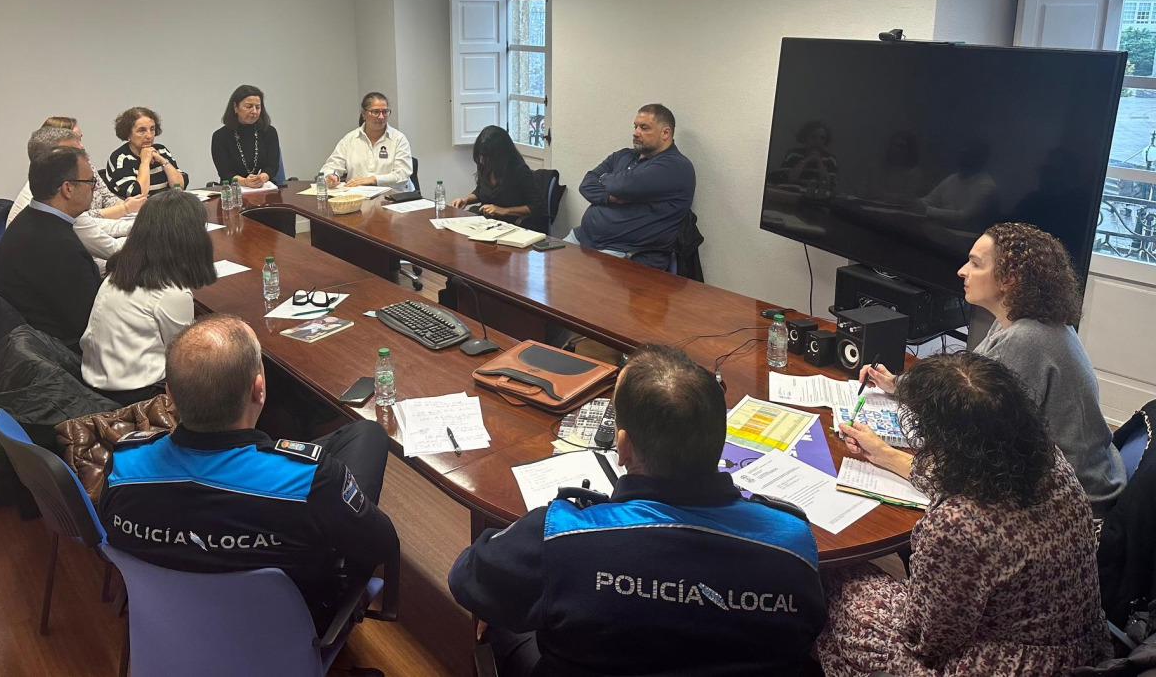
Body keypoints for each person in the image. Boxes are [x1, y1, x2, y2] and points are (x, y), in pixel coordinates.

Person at [448, 345, 826, 677]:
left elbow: (467, 579)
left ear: (623, 446)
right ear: (720, 442)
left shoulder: (562, 535)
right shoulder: (793, 544)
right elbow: (805, 632)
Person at [99, 314, 399, 633]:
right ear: (259, 389)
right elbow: (380, 546)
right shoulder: (310, 477)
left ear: (170, 395)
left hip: (169, 626)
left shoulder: (124, 464)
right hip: (290, 631)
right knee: (366, 435)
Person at [821, 352, 1112, 676]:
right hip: (1084, 648)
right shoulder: (1047, 461)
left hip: (1009, 665)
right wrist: (885, 455)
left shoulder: (956, 527)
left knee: (841, 581)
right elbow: (966, 476)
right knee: (835, 626)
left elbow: (925, 643)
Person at [859, 222, 1125, 518]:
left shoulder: (1026, 340)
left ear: (1009, 280)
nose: (962, 271)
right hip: (1092, 474)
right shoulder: (1022, 320)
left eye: (975, 264)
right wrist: (897, 384)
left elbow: (974, 452)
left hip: (1071, 504)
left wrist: (885, 454)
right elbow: (962, 385)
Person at [80, 191, 217, 407]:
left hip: (95, 383)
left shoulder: (119, 273)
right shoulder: (171, 292)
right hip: (140, 396)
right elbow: (184, 359)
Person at [0, 146, 102, 350]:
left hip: (41, 337)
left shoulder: (30, 220)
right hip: (66, 351)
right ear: (67, 188)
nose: (94, 189)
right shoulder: (58, 246)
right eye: (91, 182)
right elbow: (92, 322)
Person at [565, 104, 695, 269]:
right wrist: (608, 196)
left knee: (568, 287)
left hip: (624, 253)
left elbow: (623, 186)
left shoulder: (675, 166)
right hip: (582, 237)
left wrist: (604, 178)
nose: (635, 132)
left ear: (665, 133)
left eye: (644, 127)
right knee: (546, 273)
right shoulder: (624, 155)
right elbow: (587, 183)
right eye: (635, 126)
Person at [8, 126, 141, 272]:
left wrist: (135, 226)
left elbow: (90, 224)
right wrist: (151, 234)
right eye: (75, 153)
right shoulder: (51, 207)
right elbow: (112, 251)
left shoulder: (45, 193)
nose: (86, 158)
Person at [39, 116, 138, 221]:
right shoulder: (48, 178)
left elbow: (107, 198)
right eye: (75, 140)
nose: (81, 145)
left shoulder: (86, 165)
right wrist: (124, 209)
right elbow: (78, 219)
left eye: (80, 138)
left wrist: (128, 206)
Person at [450, 125, 545, 224]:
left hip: (509, 223)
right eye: (480, 155)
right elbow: (481, 191)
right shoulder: (486, 166)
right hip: (486, 221)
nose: (481, 161)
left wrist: (504, 210)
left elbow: (538, 206)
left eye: (486, 156)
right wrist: (466, 200)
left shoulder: (520, 171)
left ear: (499, 155)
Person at [318, 92, 413, 191]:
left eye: (385, 112)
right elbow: (332, 165)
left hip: (394, 198)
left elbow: (403, 174)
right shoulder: (350, 139)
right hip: (359, 197)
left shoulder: (398, 139)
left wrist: (372, 179)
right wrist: (331, 176)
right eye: (376, 112)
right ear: (363, 114)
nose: (381, 117)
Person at [105, 107, 186, 197]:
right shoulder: (120, 158)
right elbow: (137, 194)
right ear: (128, 133)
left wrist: (162, 161)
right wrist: (145, 162)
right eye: (141, 130)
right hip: (139, 210)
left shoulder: (161, 150)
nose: (149, 135)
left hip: (166, 207)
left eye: (152, 129)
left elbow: (179, 186)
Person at [211, 85, 282, 187]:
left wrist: (261, 178)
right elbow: (225, 172)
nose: (254, 111)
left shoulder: (269, 132)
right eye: (248, 107)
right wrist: (245, 182)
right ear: (235, 107)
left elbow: (272, 166)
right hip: (233, 190)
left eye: (258, 107)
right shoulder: (220, 136)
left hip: (262, 188)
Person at [782, 120, 839, 189]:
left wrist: (819, 162)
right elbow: (788, 179)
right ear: (806, 137)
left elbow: (828, 185)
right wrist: (805, 160)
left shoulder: (830, 159)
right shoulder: (793, 155)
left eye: (822, 138)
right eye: (813, 137)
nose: (818, 142)